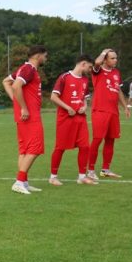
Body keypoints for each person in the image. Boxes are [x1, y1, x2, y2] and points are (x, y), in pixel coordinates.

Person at [2, 45, 48, 195]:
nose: (46, 58)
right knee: (35, 148)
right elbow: (16, 86)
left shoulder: (24, 68)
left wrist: (16, 101)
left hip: (25, 116)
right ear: (38, 55)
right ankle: (19, 181)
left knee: (25, 150)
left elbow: (6, 82)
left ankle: (23, 182)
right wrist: (23, 107)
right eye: (45, 55)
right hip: (30, 116)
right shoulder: (29, 69)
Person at [48, 55, 98, 186]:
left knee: (85, 146)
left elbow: (85, 99)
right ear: (83, 64)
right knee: (60, 147)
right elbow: (53, 97)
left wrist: (84, 107)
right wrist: (67, 107)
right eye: (89, 67)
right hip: (65, 118)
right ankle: (53, 177)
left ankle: (82, 176)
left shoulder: (85, 80)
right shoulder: (64, 77)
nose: (90, 70)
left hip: (80, 119)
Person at [87, 48, 130, 179]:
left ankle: (105, 170)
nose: (115, 60)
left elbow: (118, 90)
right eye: (112, 58)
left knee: (111, 140)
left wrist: (125, 107)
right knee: (97, 140)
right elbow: (97, 62)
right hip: (100, 111)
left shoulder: (116, 72)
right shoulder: (98, 71)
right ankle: (90, 171)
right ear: (105, 60)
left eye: (116, 58)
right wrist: (103, 52)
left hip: (113, 111)